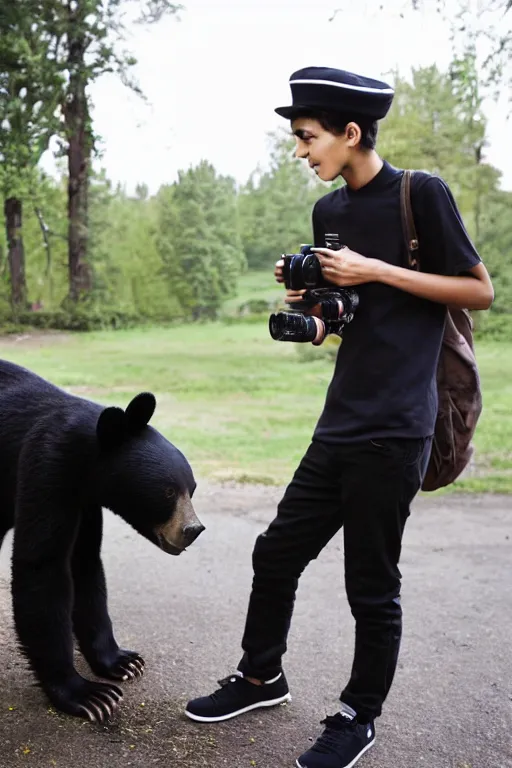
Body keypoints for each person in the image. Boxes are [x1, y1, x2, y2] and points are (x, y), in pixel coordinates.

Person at [184, 66, 494, 768]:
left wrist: (375, 269)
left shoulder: (422, 194)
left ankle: (359, 715)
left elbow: (480, 291)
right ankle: (261, 674)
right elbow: (349, 316)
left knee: (371, 585)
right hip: (341, 420)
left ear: (350, 133)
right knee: (277, 552)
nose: (300, 152)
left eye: (307, 138)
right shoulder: (330, 214)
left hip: (399, 426)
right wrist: (318, 313)